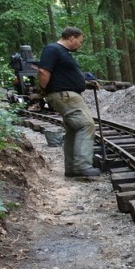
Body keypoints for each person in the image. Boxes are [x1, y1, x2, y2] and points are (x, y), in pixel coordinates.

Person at [36, 27, 101, 178]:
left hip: (67, 94)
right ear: (71, 38)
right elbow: (43, 71)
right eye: (79, 41)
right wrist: (44, 89)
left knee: (74, 129)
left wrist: (85, 82)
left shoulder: (63, 53)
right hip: (65, 96)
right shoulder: (53, 49)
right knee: (86, 125)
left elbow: (65, 76)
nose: (80, 44)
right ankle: (82, 166)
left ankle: (71, 168)